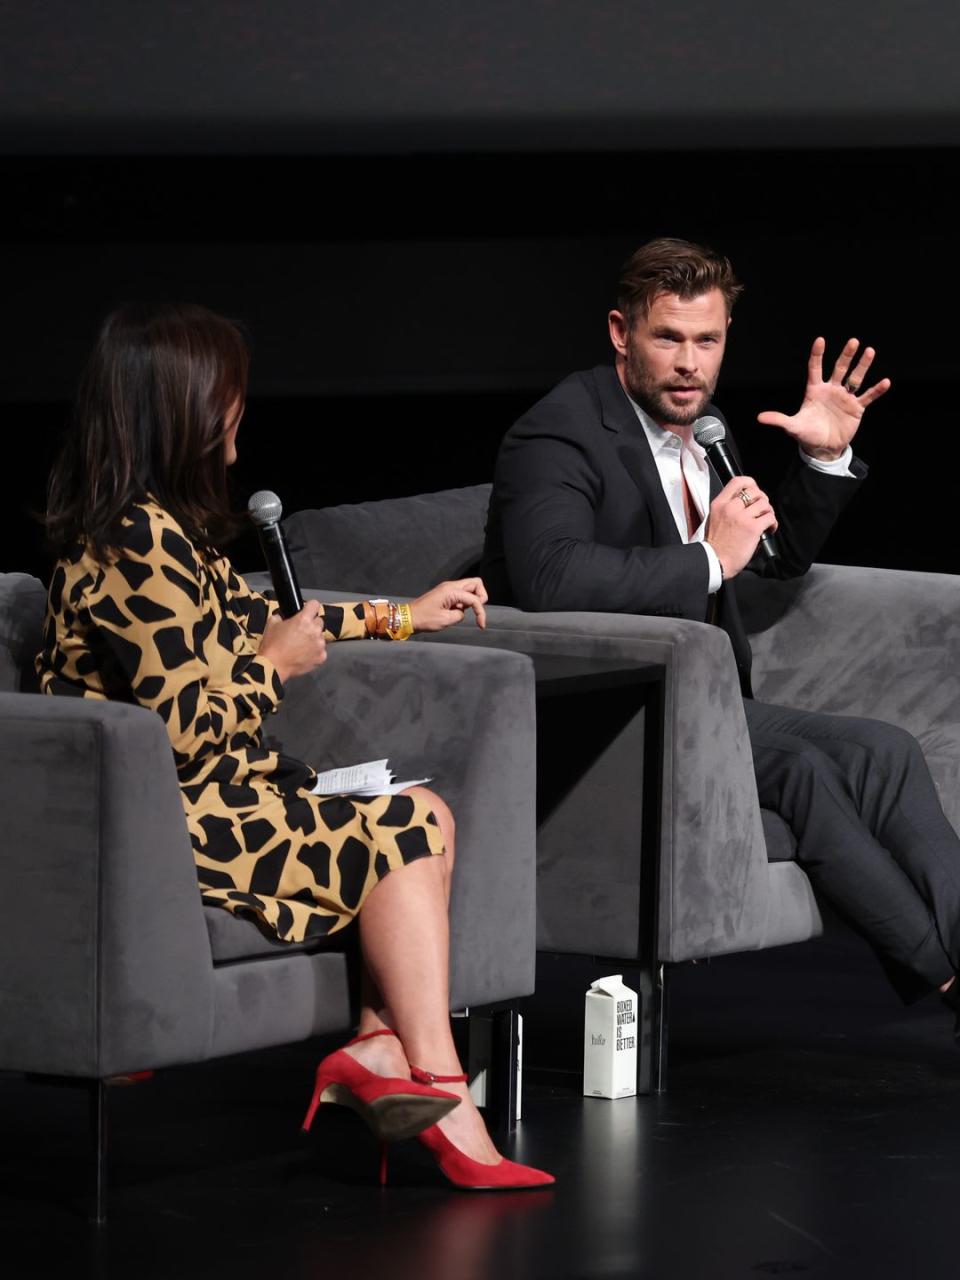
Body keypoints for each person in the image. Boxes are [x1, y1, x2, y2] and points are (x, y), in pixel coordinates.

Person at [36, 301, 553, 1191]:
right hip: (165, 818)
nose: (241, 412)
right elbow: (182, 730)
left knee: (424, 809)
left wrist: (403, 614)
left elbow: (264, 617)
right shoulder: (127, 544)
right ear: (185, 408)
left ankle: (374, 1046)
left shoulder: (168, 530)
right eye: (228, 396)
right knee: (399, 831)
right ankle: (437, 1084)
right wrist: (271, 669)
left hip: (221, 799)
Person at [482, 236, 960, 1027]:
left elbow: (771, 556)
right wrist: (706, 556)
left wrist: (823, 464)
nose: (688, 364)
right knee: (806, 771)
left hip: (702, 707)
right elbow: (551, 577)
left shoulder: (702, 429)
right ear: (619, 332)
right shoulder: (560, 431)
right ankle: (947, 983)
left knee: (885, 749)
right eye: (668, 338)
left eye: (707, 342)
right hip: (602, 715)